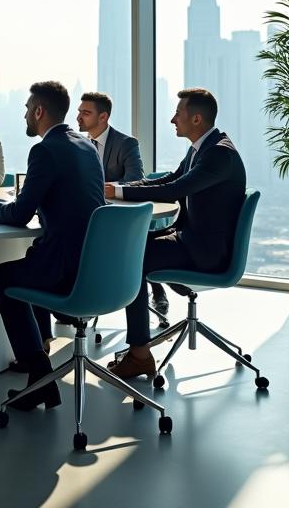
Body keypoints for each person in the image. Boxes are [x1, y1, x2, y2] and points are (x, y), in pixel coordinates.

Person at [0, 82, 105, 410]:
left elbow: (18, 215)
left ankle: (41, 372)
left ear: (40, 111)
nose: (25, 115)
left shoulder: (44, 150)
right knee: (28, 262)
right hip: (94, 265)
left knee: (2, 277)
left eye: (28, 109)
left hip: (66, 268)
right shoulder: (86, 145)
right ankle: (39, 382)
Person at [105, 88, 246, 380]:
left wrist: (119, 191)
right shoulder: (202, 148)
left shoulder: (219, 153)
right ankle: (141, 344)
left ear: (196, 118)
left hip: (206, 253)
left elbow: (174, 190)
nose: (172, 120)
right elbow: (168, 179)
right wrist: (119, 188)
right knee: (131, 247)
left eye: (178, 114)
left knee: (134, 259)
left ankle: (139, 356)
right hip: (192, 239)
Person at [76, 91, 169, 313]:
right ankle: (76, 301)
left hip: (120, 214)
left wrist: (106, 187)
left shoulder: (125, 143)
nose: (79, 117)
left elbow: (136, 179)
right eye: (79, 112)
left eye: (86, 113)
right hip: (89, 213)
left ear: (103, 117)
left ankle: (156, 289)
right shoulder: (78, 143)